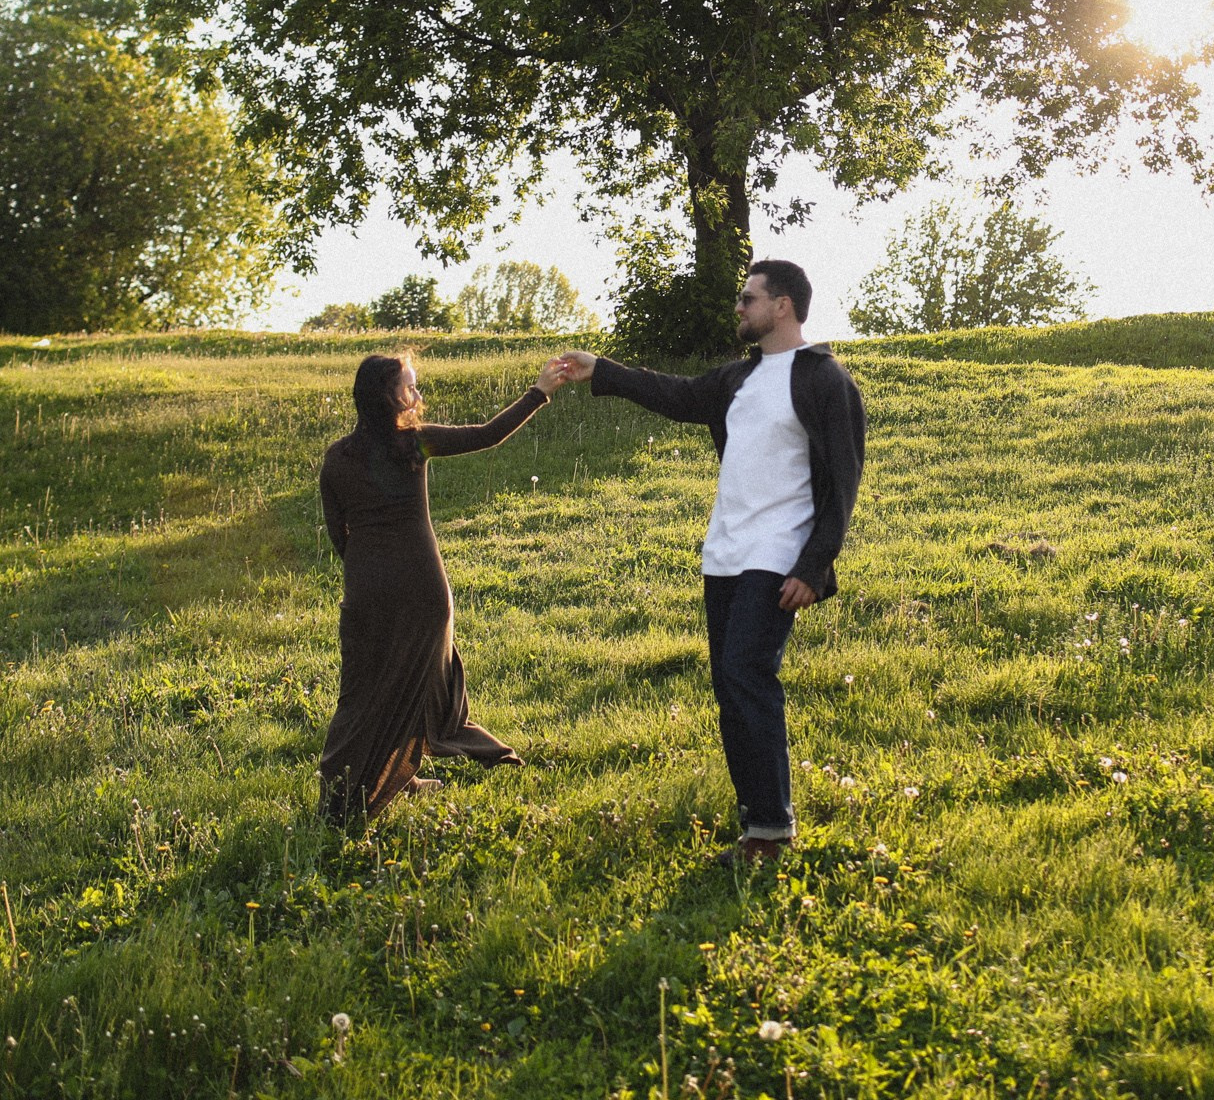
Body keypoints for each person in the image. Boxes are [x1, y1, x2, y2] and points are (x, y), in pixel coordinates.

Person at [556, 258, 865, 866]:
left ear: (782, 305)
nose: (739, 307)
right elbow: (678, 395)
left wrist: (813, 565)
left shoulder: (825, 380)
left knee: (748, 674)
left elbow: (844, 481)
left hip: (777, 553)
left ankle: (771, 831)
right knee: (730, 685)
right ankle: (758, 825)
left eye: (750, 298)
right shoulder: (739, 378)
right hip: (724, 553)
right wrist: (603, 370)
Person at [317, 350, 566, 827]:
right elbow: (488, 434)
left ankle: (370, 789)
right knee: (425, 682)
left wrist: (369, 571)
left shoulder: (336, 458)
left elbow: (337, 532)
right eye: (410, 387)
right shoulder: (413, 444)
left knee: (362, 693)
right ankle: (435, 765)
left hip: (366, 588)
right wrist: (539, 392)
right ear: (390, 397)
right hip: (421, 587)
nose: (417, 394)